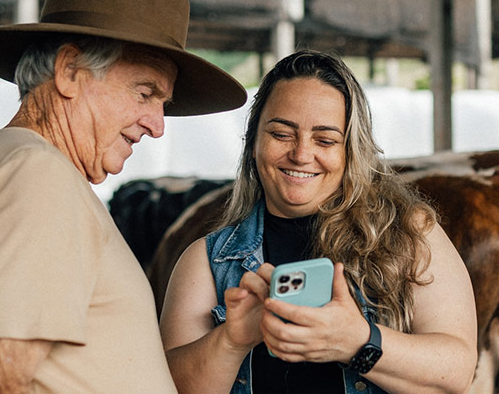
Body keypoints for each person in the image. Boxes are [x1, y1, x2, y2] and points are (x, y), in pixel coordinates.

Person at [0, 0, 246, 393]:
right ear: (70, 71)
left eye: (163, 103)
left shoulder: (15, 164)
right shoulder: (35, 175)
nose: (157, 125)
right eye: (145, 92)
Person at [159, 51, 477, 394]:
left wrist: (359, 342)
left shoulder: (409, 233)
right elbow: (167, 388)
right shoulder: (208, 261)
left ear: (350, 152)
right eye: (281, 134)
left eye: (325, 140)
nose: (300, 154)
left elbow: (456, 371)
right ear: (253, 142)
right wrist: (232, 340)